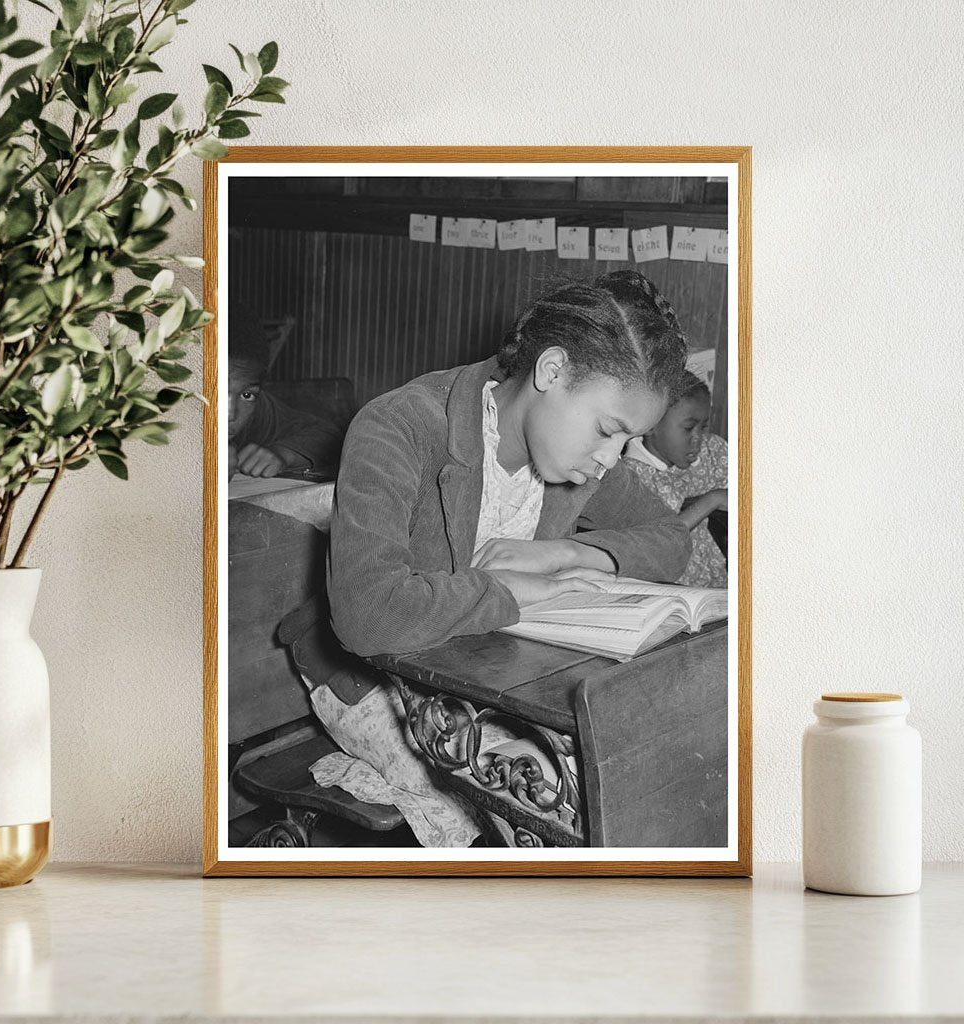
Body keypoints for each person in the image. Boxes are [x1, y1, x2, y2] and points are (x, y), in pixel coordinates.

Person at [303, 271, 693, 847]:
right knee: (528, 801)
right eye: (608, 430)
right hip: (375, 677)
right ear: (552, 371)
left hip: (503, 676)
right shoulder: (400, 425)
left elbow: (672, 537)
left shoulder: (577, 457)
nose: (612, 459)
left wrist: (562, 553)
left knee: (632, 770)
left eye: (627, 440)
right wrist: (509, 588)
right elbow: (368, 614)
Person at [624, 370, 728, 588]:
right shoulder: (630, 477)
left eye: (703, 427)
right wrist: (713, 500)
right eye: (688, 428)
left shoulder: (713, 451)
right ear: (650, 424)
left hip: (722, 583)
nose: (698, 439)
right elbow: (659, 538)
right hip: (673, 590)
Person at [227, 302, 344, 479]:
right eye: (217, 392)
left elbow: (328, 436)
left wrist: (282, 454)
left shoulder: (258, 409)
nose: (231, 414)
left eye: (247, 395)